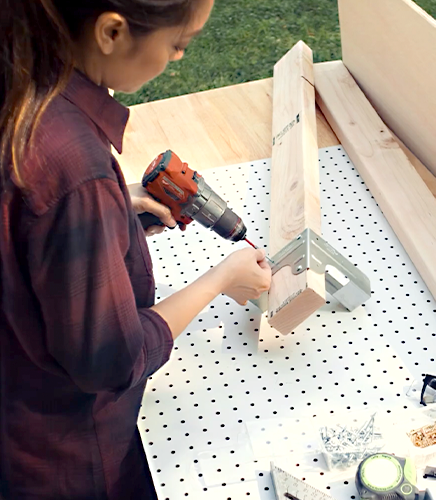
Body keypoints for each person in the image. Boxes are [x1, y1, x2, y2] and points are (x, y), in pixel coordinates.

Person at [0, 0, 272, 498]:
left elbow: (23, 224)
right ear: (111, 32)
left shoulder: (21, 86)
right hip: (61, 455)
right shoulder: (74, 164)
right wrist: (220, 279)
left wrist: (109, 218)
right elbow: (109, 360)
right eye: (177, 43)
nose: (179, 58)